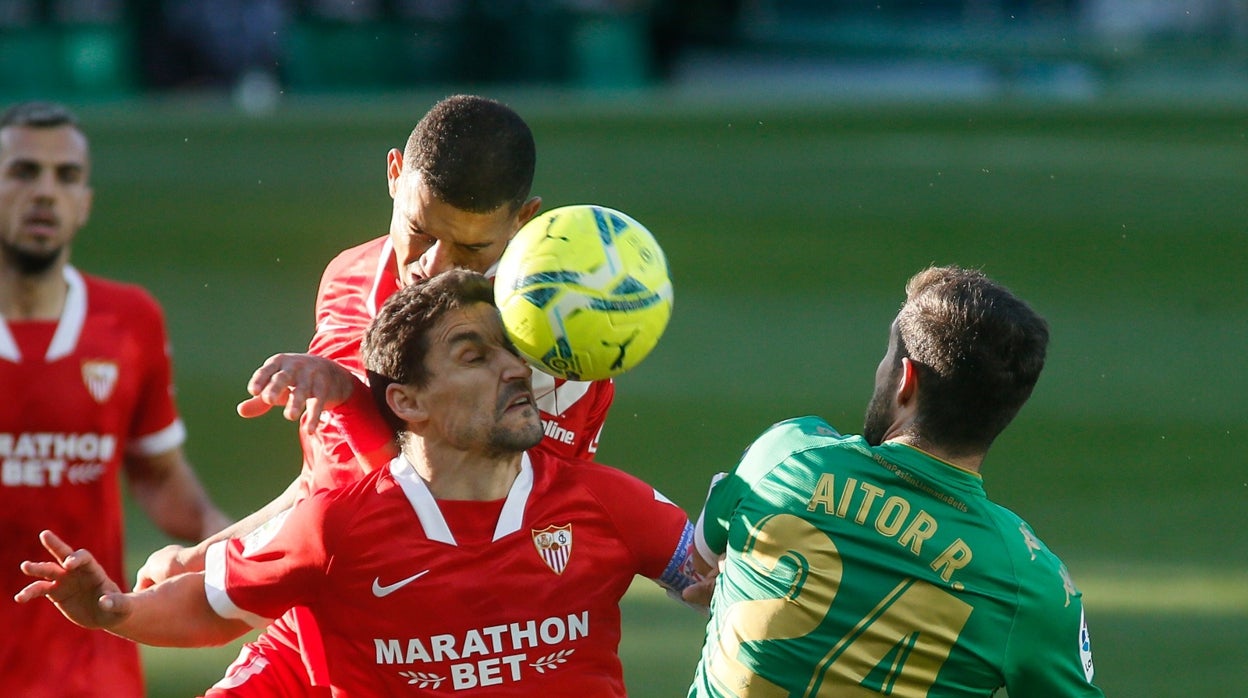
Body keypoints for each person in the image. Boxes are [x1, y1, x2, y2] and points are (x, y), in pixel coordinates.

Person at [17, 269, 707, 697]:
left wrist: (748, 540)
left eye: (511, 351)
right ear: (407, 403)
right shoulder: (337, 528)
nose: (514, 370)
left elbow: (707, 578)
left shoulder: (607, 503)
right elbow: (212, 605)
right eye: (475, 355)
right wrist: (111, 613)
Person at [133, 94, 620, 694]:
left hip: (437, 646)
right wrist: (220, 549)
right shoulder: (348, 278)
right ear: (394, 176)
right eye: (419, 232)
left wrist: (345, 396)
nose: (434, 267)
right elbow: (330, 483)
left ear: (523, 222)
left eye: (471, 249)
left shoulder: (553, 354)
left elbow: (454, 515)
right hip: (317, 610)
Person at [688, 265, 1104, 697]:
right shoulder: (1030, 583)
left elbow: (701, 565)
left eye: (887, 354)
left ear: (906, 381)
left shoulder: (787, 455)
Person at [0, 101, 232, 697]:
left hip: (93, 673)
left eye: (66, 176)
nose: (46, 192)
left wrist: (227, 542)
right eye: (24, 172)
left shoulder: (128, 321)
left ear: (86, 203)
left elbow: (158, 475)